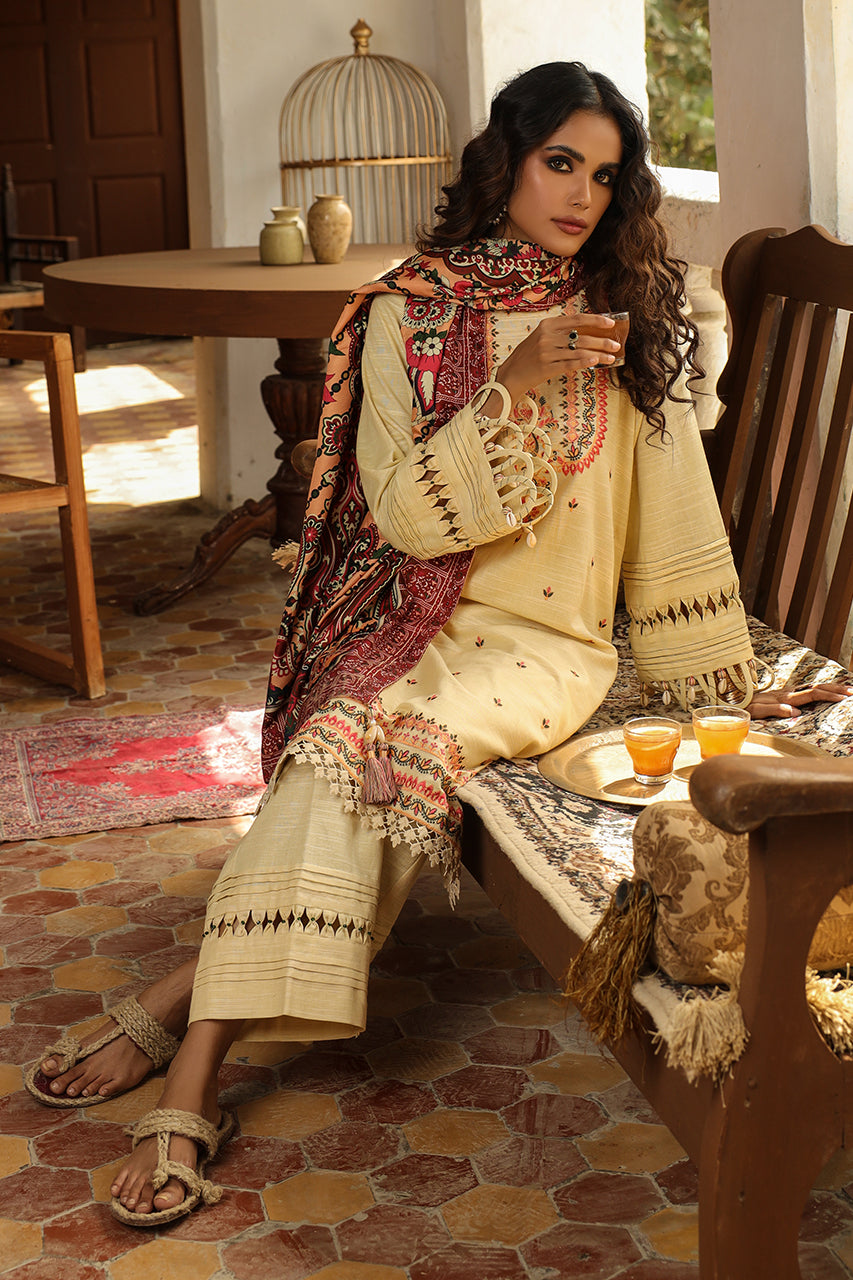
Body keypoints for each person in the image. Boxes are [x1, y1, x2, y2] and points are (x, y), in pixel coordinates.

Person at [26, 61, 852, 1224]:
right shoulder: (404, 313)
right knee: (339, 743)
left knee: (373, 745)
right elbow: (407, 518)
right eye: (558, 162)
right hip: (410, 613)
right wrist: (508, 383)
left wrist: (720, 679)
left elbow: (672, 519)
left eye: (603, 174)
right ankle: (191, 1015)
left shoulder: (623, 315)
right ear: (505, 159)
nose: (580, 195)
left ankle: (189, 1057)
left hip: (542, 648)